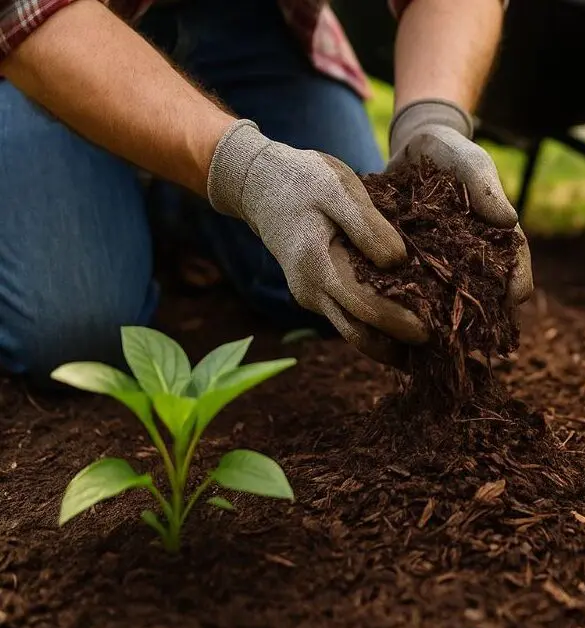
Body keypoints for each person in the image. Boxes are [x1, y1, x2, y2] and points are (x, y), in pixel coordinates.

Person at [0, 0, 534, 384]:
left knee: (354, 272)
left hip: (258, 22)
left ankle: (174, 202)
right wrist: (246, 171)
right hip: (57, 37)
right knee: (74, 335)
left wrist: (432, 120)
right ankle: (157, 176)